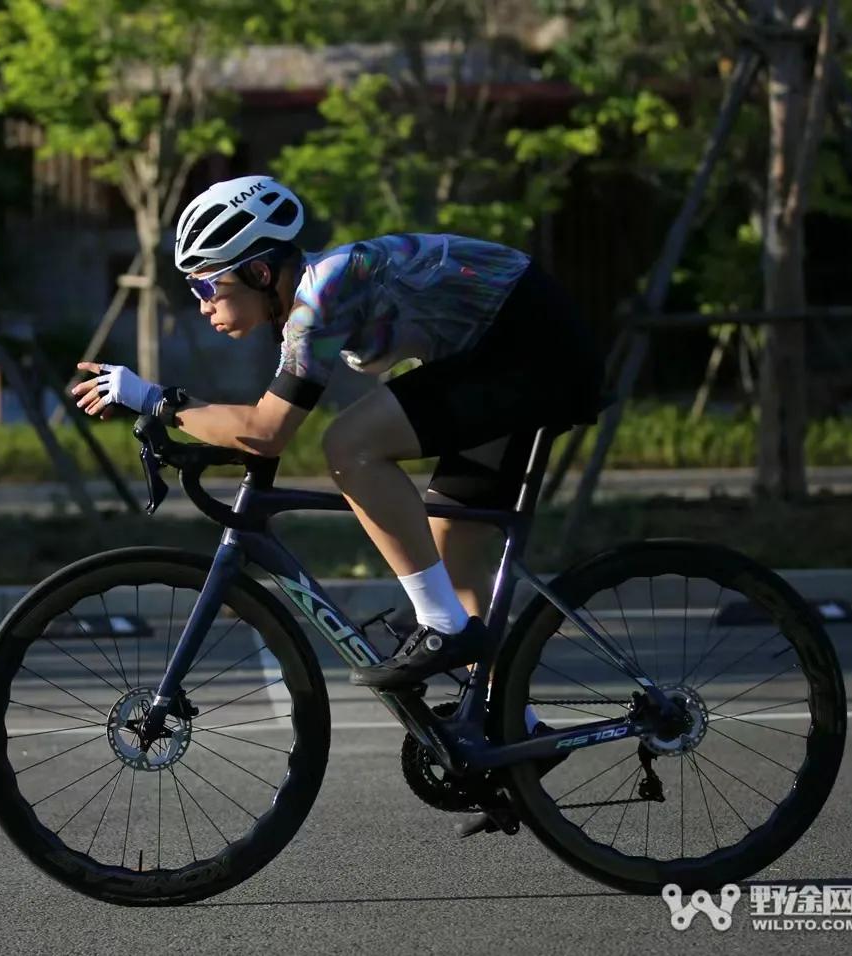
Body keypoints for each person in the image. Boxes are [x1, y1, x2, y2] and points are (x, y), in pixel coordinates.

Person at [71, 175, 603, 707]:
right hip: (512, 350)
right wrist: (172, 415)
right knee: (452, 550)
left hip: (531, 349)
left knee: (351, 445)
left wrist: (151, 398)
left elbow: (267, 431)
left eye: (207, 287)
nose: (202, 305)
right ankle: (509, 729)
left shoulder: (321, 293)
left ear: (258, 272)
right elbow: (258, 429)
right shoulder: (315, 293)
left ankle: (442, 626)